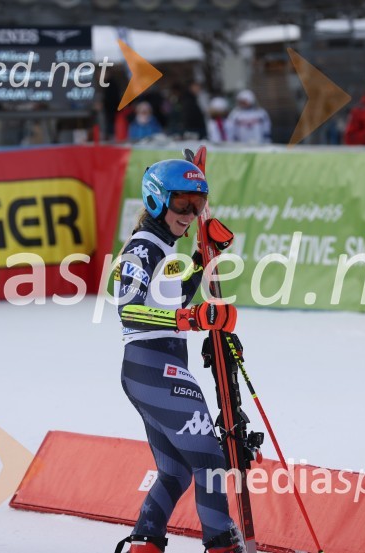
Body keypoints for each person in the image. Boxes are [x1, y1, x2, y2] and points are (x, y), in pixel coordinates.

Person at [114, 159, 245, 553]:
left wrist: (205, 259)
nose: (189, 215)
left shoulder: (166, 250)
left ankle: (144, 545)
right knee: (212, 464)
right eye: (181, 204)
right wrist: (190, 318)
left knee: (174, 472)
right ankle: (222, 545)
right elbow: (128, 308)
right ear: (156, 200)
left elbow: (173, 297)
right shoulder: (142, 247)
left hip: (154, 369)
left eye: (197, 204)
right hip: (152, 366)